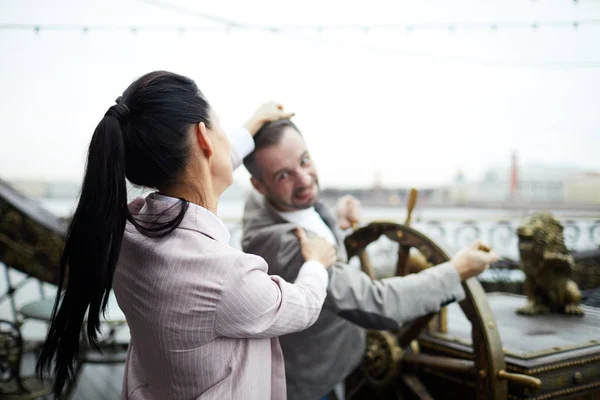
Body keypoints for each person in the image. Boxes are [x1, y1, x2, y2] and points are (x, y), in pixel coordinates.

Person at [36, 71, 338, 400]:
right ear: (204, 138)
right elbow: (303, 306)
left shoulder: (127, 232)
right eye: (219, 127)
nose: (227, 139)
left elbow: (199, 166)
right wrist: (317, 263)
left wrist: (253, 123)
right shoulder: (225, 275)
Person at [240, 119, 499, 400]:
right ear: (259, 185)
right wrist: (457, 270)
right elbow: (375, 302)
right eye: (283, 176)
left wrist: (335, 223)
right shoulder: (283, 245)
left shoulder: (264, 203)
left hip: (334, 362)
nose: (303, 179)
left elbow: (316, 240)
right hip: (308, 384)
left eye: (304, 161)